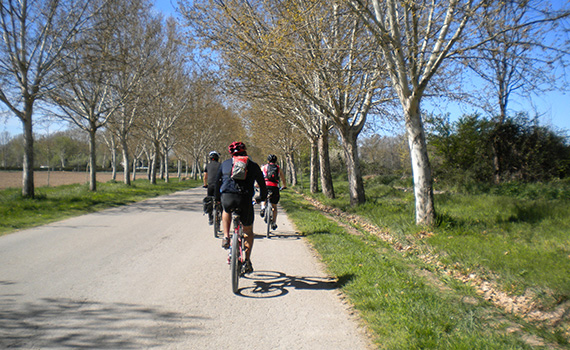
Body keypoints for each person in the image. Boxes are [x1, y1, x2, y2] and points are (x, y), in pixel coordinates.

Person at [214, 141, 267, 274]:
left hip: (228, 197)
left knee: (226, 210)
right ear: (245, 152)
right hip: (244, 199)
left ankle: (226, 236)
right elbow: (262, 183)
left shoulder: (225, 164)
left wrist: (216, 199)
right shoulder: (253, 165)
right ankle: (247, 261)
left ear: (231, 153)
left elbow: (217, 182)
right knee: (248, 231)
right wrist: (263, 197)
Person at [260, 154, 286, 230]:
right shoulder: (278, 168)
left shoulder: (264, 167)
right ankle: (274, 222)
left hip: (265, 186)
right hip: (274, 187)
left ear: (268, 161)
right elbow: (283, 179)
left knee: (263, 198)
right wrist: (284, 186)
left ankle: (262, 208)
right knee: (274, 206)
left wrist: (258, 185)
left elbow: (260, 177)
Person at [203, 151, 221, 225]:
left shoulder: (207, 166)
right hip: (219, 186)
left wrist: (205, 184)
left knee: (210, 201)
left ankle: (210, 218)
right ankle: (221, 214)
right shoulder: (221, 165)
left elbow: (205, 176)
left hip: (210, 186)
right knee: (220, 200)